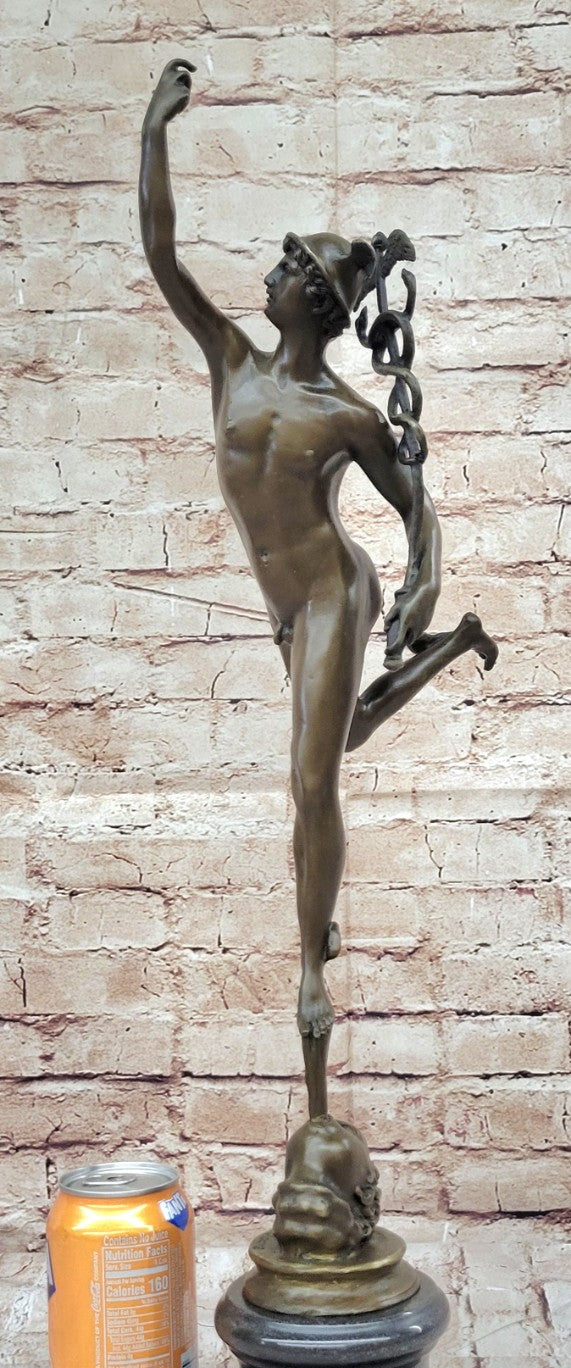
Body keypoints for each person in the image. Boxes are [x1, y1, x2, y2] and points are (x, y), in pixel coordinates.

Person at [139, 60, 498, 1115]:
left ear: (319, 300)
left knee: (309, 784)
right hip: (284, 607)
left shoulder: (344, 415)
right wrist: (155, 131)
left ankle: (309, 969)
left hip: (336, 592)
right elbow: (159, 251)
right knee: (332, 742)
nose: (271, 272)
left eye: (290, 265)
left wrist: (422, 578)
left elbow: (414, 507)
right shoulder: (230, 360)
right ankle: (453, 647)